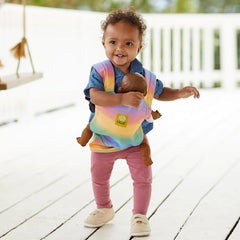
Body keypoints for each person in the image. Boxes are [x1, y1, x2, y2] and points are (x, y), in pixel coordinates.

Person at [82, 8, 200, 237]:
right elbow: (94, 96)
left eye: (128, 43)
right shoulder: (100, 71)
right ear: (104, 43)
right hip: (104, 137)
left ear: (139, 47)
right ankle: (104, 207)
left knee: (143, 176)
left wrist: (180, 93)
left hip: (134, 138)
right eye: (113, 41)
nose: (120, 48)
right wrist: (121, 98)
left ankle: (139, 215)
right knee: (98, 174)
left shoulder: (145, 76)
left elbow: (161, 92)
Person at [76, 72, 162, 166]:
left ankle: (83, 140)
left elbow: (98, 100)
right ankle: (147, 157)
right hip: (130, 139)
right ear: (145, 93)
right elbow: (150, 117)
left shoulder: (112, 97)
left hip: (108, 138)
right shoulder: (143, 107)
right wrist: (156, 115)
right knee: (144, 141)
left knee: (90, 126)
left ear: (120, 89)